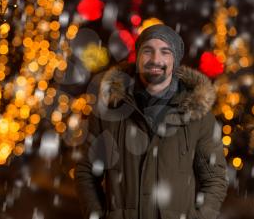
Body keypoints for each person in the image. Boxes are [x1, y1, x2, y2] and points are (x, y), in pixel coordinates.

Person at [75, 24, 228, 219]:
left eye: (165, 52)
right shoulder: (109, 110)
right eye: (148, 51)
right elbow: (86, 173)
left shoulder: (198, 115)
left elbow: (215, 178)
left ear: (175, 60)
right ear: (138, 56)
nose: (156, 59)